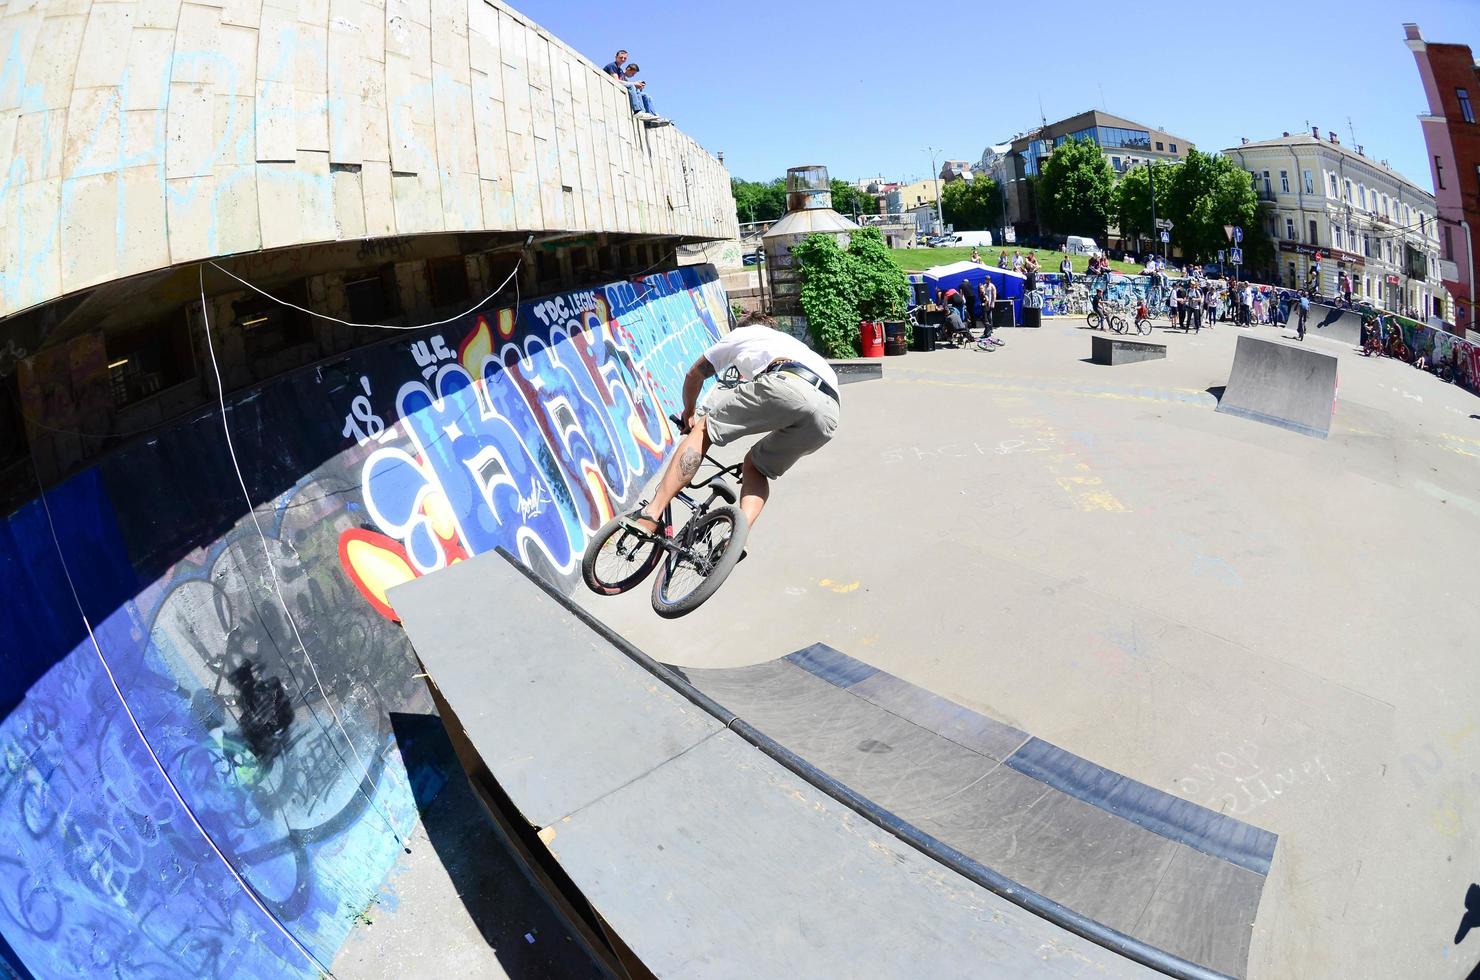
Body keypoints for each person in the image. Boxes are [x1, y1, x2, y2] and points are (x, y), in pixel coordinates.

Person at [622, 313, 839, 537]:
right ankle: (736, 539)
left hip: (788, 382)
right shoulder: (792, 344)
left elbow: (694, 374)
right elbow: (794, 406)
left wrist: (689, 414)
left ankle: (650, 514)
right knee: (756, 467)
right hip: (829, 412)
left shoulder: (745, 332)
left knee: (704, 429)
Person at [978, 277, 1003, 345]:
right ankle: (988, 329)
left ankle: (990, 329)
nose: (987, 280)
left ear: (989, 280)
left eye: (988, 279)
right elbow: (982, 292)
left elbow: (994, 295)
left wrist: (993, 302)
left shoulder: (992, 286)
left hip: (989, 302)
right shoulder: (984, 285)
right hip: (986, 302)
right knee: (987, 316)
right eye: (986, 279)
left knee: (988, 316)